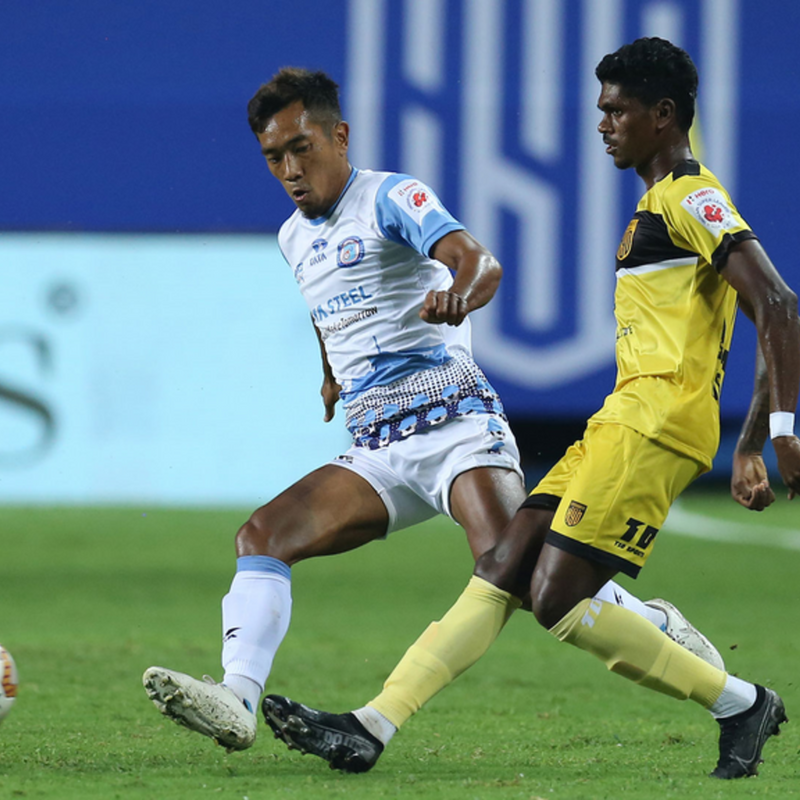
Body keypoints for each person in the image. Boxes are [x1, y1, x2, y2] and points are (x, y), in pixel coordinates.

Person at [141, 66, 722, 753]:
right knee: (262, 537)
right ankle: (237, 699)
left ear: (339, 137)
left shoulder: (390, 197)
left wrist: (459, 296)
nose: (291, 170)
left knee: (522, 580)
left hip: (453, 425)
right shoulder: (292, 237)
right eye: (274, 157)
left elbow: (480, 263)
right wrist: (330, 376)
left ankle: (658, 627)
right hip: (378, 448)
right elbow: (329, 310)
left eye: (302, 148)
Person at [262, 39, 800, 779]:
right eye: (601, 109)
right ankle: (371, 726)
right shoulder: (656, 204)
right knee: (504, 565)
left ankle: (740, 702)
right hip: (621, 417)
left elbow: (777, 304)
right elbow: (765, 315)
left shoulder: (688, 197)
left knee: (556, 600)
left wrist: (780, 430)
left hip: (656, 425)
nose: (603, 124)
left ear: (663, 115)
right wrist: (746, 443)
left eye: (617, 110)